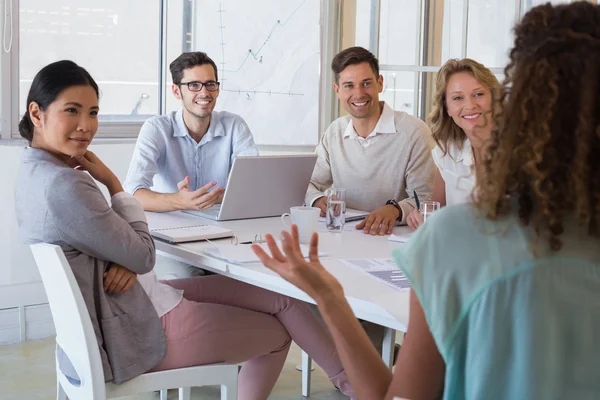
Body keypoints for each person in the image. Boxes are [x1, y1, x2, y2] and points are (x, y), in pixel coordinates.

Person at [252, 2, 600, 399]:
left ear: (517, 100)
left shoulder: (453, 237)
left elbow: (398, 396)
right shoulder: (345, 136)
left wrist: (328, 296)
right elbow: (315, 184)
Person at [14, 60, 355, 400]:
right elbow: (144, 254)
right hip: (136, 324)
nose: (86, 126)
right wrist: (114, 185)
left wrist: (127, 255)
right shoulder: (66, 185)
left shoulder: (34, 172)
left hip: (137, 299)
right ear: (37, 113)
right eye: (72, 111)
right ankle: (358, 386)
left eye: (93, 112)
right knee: (281, 332)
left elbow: (122, 247)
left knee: (283, 298)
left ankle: (354, 385)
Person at [124, 51, 259, 279]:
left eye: (210, 84)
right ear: (177, 91)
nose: (204, 93)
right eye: (194, 85)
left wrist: (213, 197)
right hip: (172, 239)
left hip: (224, 235)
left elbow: (254, 185)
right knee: (192, 279)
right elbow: (133, 193)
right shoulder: (157, 129)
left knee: (254, 277)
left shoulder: (234, 125)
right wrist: (179, 201)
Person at [305, 46, 436, 236]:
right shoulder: (335, 132)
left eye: (366, 83)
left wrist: (395, 209)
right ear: (337, 90)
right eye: (349, 85)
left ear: (380, 83)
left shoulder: (414, 132)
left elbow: (426, 199)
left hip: (395, 239)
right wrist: (316, 200)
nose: (359, 94)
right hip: (347, 236)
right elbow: (306, 183)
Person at [407, 58, 500, 229]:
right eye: (458, 98)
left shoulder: (521, 150)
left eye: (478, 94)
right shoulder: (447, 152)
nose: (470, 105)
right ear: (447, 108)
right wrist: (421, 218)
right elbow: (436, 213)